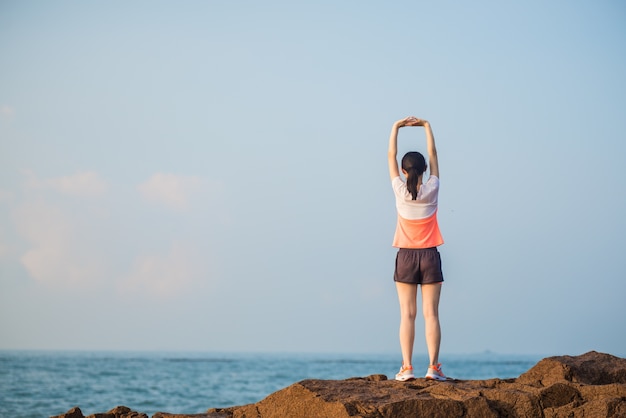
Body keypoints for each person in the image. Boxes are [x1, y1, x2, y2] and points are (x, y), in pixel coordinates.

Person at [387, 116, 448, 381]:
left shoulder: (400, 190)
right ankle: (433, 369)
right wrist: (426, 126)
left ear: (403, 171)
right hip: (430, 255)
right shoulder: (432, 187)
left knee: (407, 314)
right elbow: (433, 152)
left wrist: (396, 127)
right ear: (424, 170)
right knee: (430, 313)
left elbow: (391, 153)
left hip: (406, 256)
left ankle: (407, 367)